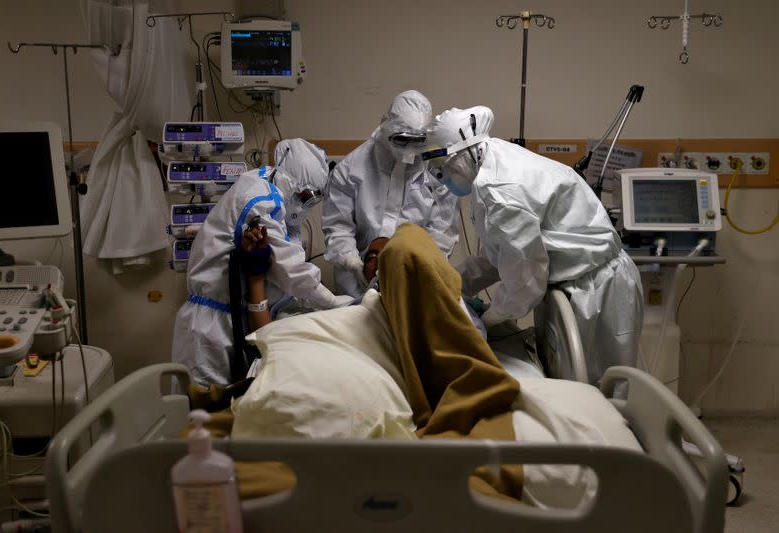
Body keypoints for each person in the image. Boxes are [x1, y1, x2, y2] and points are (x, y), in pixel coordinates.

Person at [422, 106, 643, 387]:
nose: (441, 177)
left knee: (602, 392)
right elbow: (500, 256)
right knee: (570, 382)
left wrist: (484, 323)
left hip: (598, 286)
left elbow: (524, 284)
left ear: (466, 152)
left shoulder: (500, 191)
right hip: (570, 284)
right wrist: (454, 284)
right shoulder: (491, 162)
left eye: (443, 168)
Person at [172, 138, 352, 387]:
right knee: (205, 411)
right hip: (211, 327)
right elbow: (291, 271)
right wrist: (336, 303)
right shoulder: (259, 199)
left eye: (314, 199)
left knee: (230, 408)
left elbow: (287, 258)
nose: (306, 205)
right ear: (292, 181)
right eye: (305, 195)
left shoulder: (267, 188)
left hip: (235, 320)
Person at [322, 89, 460, 297]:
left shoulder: (436, 172)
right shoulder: (351, 169)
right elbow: (338, 227)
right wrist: (353, 263)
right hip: (355, 286)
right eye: (402, 140)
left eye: (417, 141)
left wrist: (426, 269)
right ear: (386, 127)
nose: (409, 150)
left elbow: (442, 232)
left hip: (414, 280)